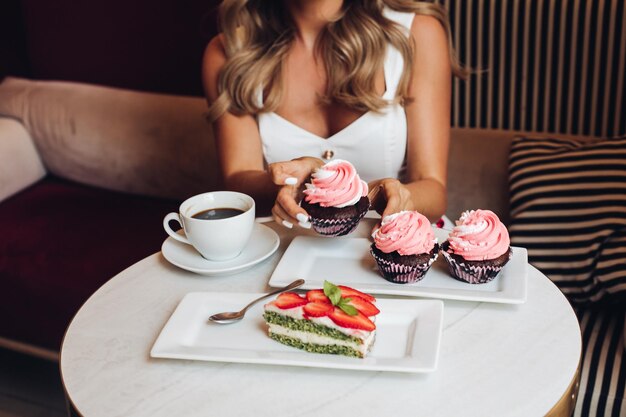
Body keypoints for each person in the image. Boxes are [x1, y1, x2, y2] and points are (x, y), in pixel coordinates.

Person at [203, 0, 465, 229]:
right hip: (290, 255)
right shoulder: (229, 53)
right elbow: (238, 181)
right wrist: (294, 183)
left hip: (397, 251)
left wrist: (397, 195)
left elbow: (432, 188)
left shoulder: (417, 34)